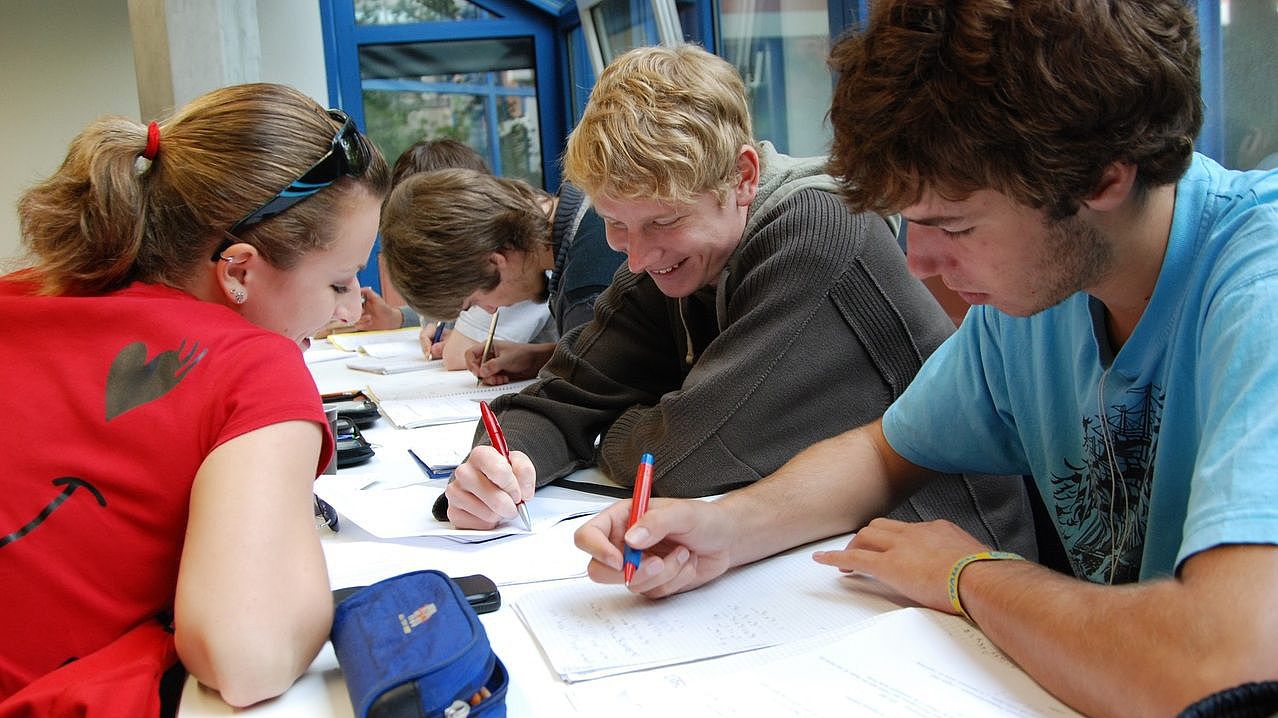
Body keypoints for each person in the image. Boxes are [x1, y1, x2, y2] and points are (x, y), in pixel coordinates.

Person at [574, 4, 1278, 717]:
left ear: (1100, 178)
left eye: (956, 224)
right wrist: (725, 530)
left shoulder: (1260, 291)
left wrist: (969, 573)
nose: (919, 260)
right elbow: (885, 451)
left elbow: (1223, 668)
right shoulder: (1043, 294)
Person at [442, 43, 1035, 566]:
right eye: (615, 225)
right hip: (810, 550)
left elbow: (686, 456)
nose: (637, 258)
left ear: (743, 177)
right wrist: (499, 465)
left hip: (954, 562)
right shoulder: (671, 258)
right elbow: (558, 403)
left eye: (662, 221)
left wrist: (609, 432)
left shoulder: (820, 228)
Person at [0, 83, 391, 712]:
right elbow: (247, 656)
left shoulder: (24, 293)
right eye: (339, 283)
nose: (350, 311)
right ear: (238, 270)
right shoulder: (254, 364)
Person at [380, 166, 626, 385]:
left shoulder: (587, 290)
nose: (489, 310)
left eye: (474, 302)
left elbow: (597, 392)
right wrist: (542, 357)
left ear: (495, 262)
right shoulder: (587, 207)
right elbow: (612, 356)